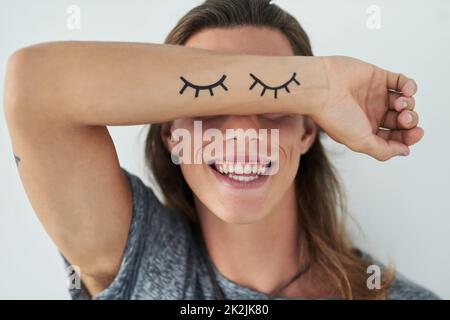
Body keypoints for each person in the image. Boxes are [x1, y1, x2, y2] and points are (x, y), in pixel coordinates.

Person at [3, 0, 437, 299]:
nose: (244, 133)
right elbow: (34, 85)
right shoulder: (143, 261)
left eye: (275, 104)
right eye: (206, 104)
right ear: (171, 134)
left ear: (309, 130)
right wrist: (316, 83)